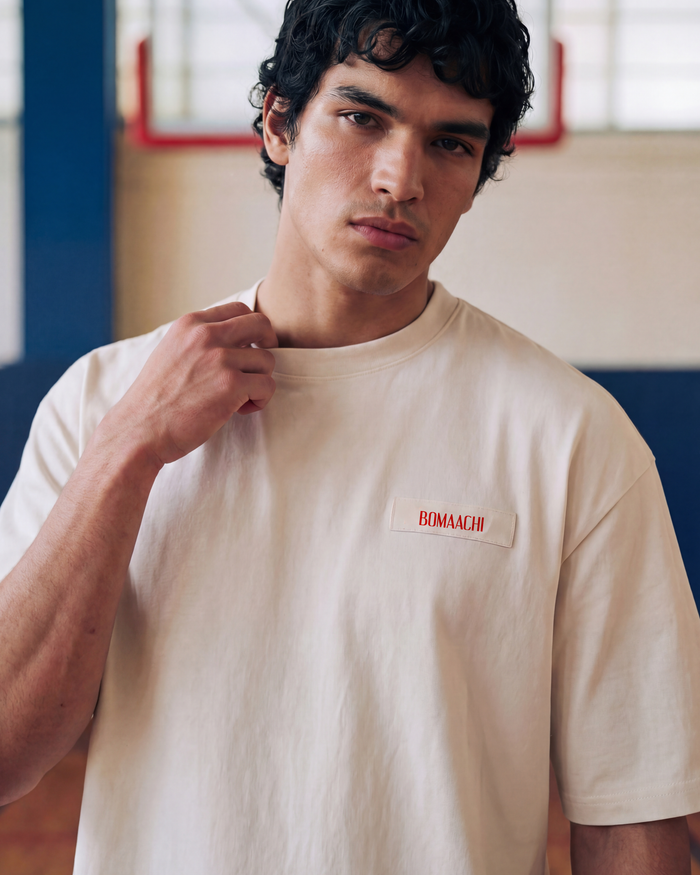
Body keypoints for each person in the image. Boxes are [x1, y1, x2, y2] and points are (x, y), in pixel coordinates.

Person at [1, 0, 699, 872]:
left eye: (451, 142)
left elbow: (634, 827)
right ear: (279, 124)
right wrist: (127, 450)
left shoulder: (572, 440)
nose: (400, 178)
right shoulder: (102, 402)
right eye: (362, 117)